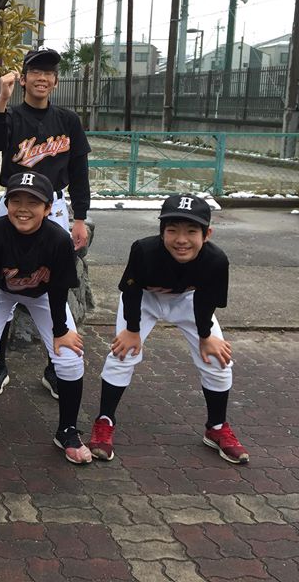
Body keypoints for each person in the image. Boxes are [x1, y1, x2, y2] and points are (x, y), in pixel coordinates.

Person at [88, 194, 248, 465]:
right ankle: (104, 421)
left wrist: (206, 336)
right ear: (162, 232)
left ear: (207, 234)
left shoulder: (216, 260)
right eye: (172, 230)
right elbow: (131, 291)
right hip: (145, 300)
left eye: (191, 231)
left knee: (217, 359)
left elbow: (206, 301)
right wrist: (132, 330)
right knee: (122, 354)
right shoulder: (144, 250)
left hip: (190, 301)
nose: (181, 239)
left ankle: (216, 427)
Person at [0, 46, 91, 400]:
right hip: (14, 205)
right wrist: (1, 102)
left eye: (48, 73)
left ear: (55, 81)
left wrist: (81, 217)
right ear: (24, 78)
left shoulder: (68, 120)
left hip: (54, 207)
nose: (42, 78)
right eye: (35, 72)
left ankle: (54, 366)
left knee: (54, 280)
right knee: (3, 279)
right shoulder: (12, 115)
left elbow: (79, 171)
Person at [0, 172, 90, 463]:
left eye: (33, 202)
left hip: (44, 295)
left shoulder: (58, 239)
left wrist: (61, 330)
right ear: (6, 204)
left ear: (48, 209)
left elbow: (58, 288)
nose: (23, 208)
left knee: (69, 358)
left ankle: (67, 430)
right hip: (0, 292)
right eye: (16, 200)